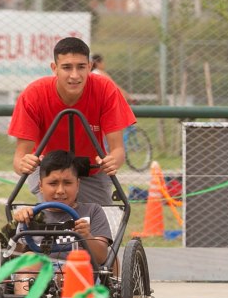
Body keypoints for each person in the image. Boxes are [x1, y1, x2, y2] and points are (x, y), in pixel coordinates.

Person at [9, 37, 136, 205]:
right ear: (54, 68)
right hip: (47, 170)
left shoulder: (105, 89)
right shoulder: (33, 94)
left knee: (99, 224)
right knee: (56, 218)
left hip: (90, 171)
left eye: (81, 67)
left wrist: (112, 161)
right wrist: (23, 164)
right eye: (67, 67)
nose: (75, 75)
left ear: (90, 67)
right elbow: (20, 158)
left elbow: (117, 150)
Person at [6, 150, 112, 298]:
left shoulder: (92, 211)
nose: (61, 190)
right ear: (41, 186)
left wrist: (87, 237)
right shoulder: (32, 215)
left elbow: (101, 257)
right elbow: (12, 257)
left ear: (78, 184)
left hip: (79, 273)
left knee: (69, 270)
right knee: (28, 261)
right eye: (53, 183)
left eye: (67, 183)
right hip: (40, 274)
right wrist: (18, 225)